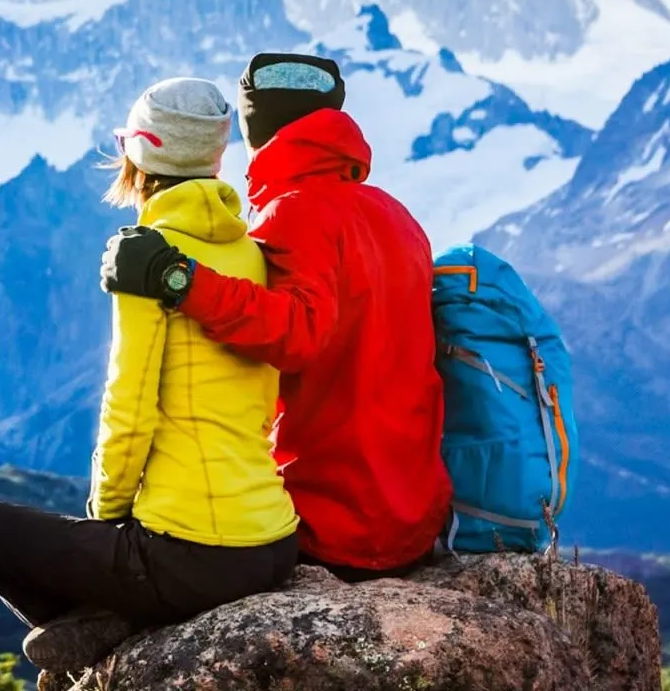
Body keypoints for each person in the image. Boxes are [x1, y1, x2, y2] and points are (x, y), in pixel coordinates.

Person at [0, 77, 301, 673]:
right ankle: (103, 618)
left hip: (193, 553)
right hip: (273, 539)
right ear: (217, 156)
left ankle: (105, 627)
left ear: (139, 153)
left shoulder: (147, 255)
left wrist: (106, 513)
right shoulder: (252, 253)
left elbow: (129, 404)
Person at [100, 54, 450, 582]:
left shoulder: (293, 211)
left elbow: (297, 335)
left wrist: (178, 279)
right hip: (414, 519)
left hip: (335, 521)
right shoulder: (396, 215)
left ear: (254, 128)